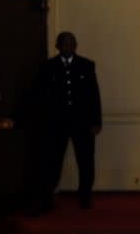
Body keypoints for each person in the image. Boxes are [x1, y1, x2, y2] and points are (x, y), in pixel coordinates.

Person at [37, 32, 101, 211]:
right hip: (57, 123)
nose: (68, 47)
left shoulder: (86, 66)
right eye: (64, 44)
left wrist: (96, 121)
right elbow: (43, 96)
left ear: (76, 45)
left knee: (86, 161)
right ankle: (47, 196)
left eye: (71, 44)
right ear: (57, 46)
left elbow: (94, 95)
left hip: (82, 122)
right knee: (53, 161)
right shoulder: (49, 67)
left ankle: (85, 196)